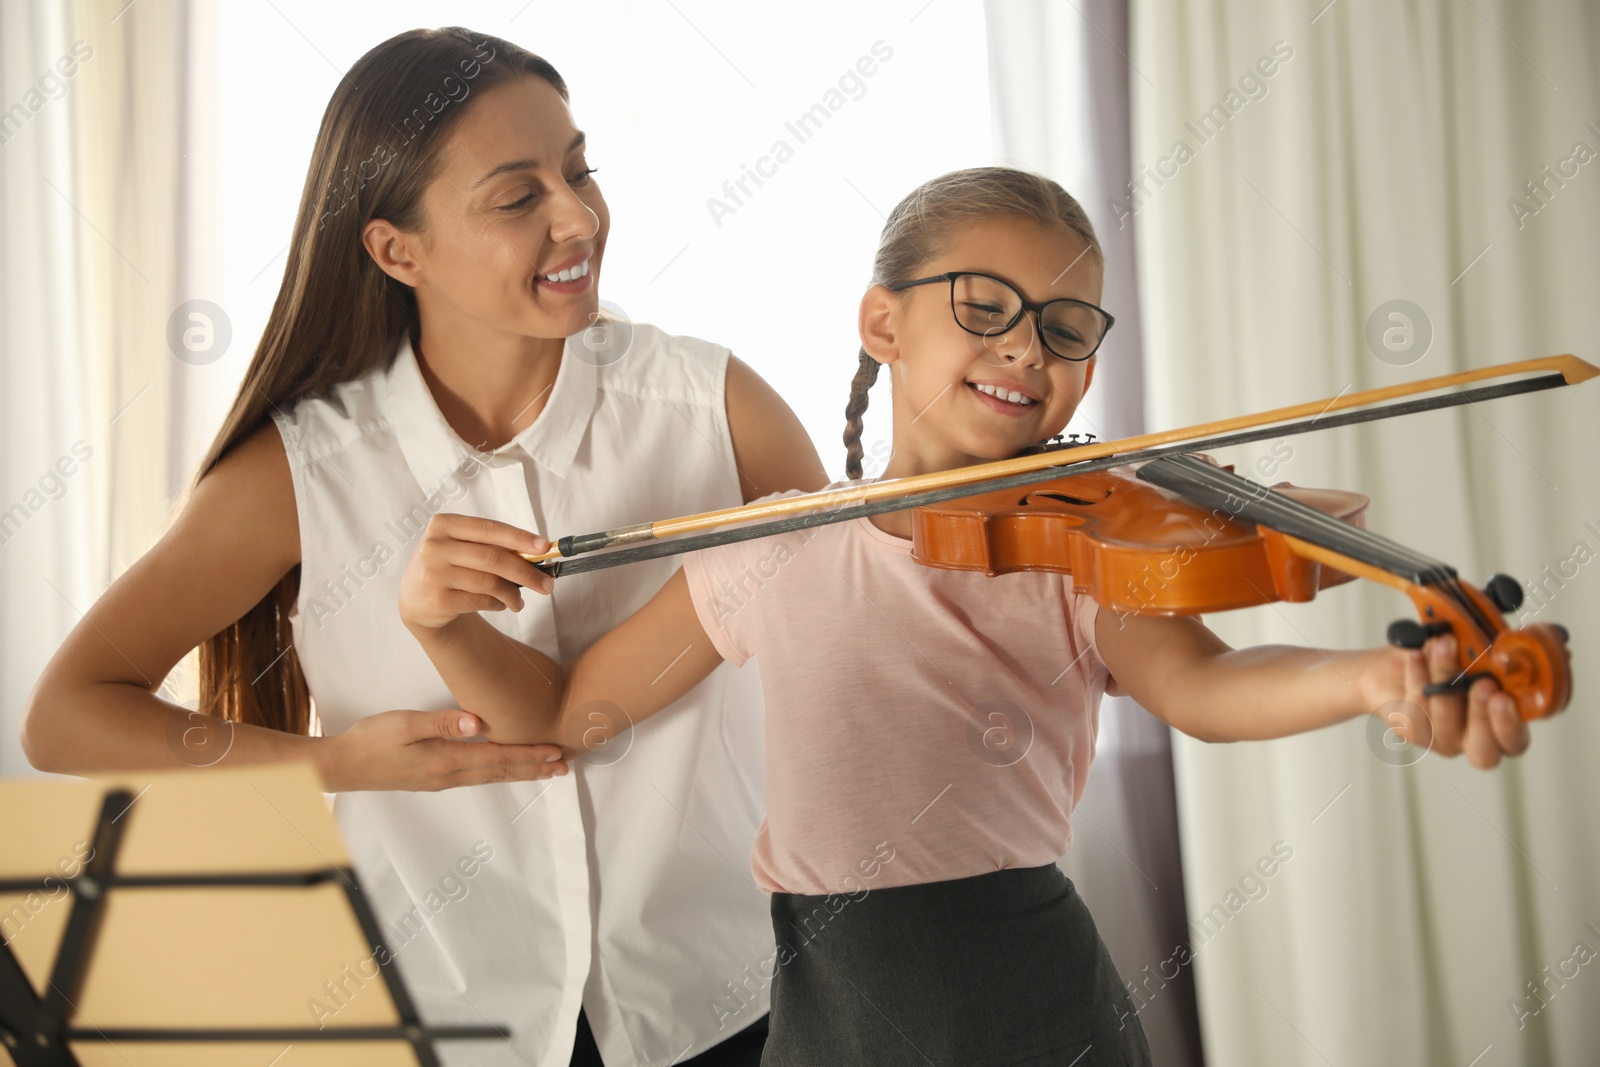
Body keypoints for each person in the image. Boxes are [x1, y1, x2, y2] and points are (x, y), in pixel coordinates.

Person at [431, 166, 1534, 1065]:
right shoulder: (776, 541)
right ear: (882, 321)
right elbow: (574, 714)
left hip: (1016, 984)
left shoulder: (1081, 546)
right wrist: (440, 626)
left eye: (1064, 328)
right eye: (984, 308)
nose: (1025, 348)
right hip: (825, 996)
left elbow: (1203, 685)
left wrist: (1372, 680)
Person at [21, 27, 825, 1067]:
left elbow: (848, 643)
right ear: (397, 249)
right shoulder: (299, 471)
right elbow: (66, 712)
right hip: (442, 1014)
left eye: (578, 170)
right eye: (517, 196)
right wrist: (327, 761)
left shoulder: (716, 407)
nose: (579, 216)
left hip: (720, 1000)